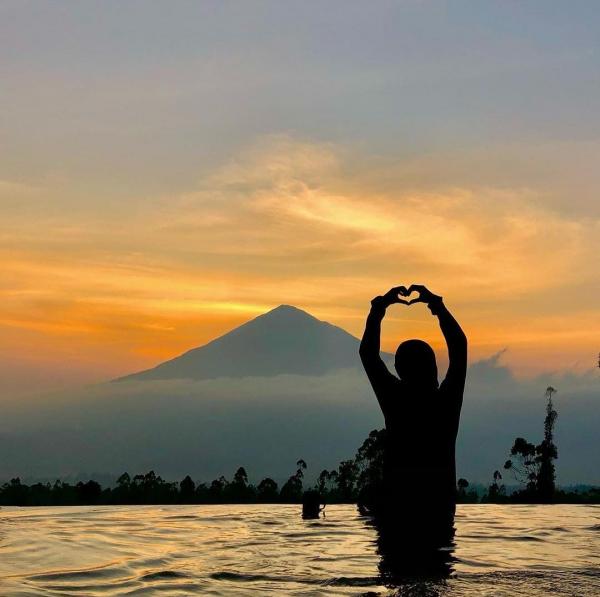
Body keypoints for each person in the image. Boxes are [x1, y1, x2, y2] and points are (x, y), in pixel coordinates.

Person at [359, 284, 467, 525]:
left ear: (398, 370)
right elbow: (459, 347)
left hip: (398, 513)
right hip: (439, 512)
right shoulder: (446, 402)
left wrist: (379, 308)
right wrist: (436, 305)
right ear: (434, 368)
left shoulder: (395, 399)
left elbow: (368, 354)